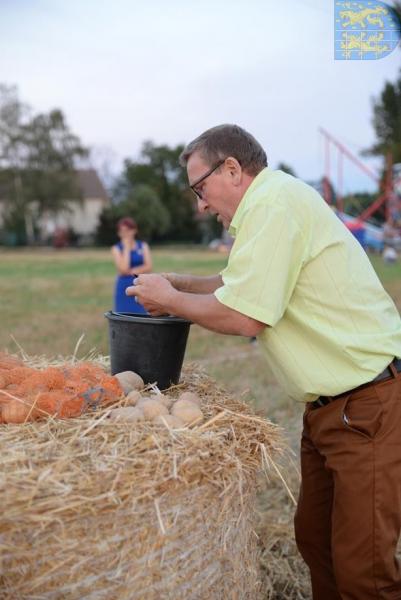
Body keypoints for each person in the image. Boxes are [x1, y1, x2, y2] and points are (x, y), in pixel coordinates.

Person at [126, 124, 401, 599]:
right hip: (333, 412)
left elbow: (244, 315)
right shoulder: (270, 206)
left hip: (367, 407)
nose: (200, 205)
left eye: (200, 188)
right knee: (318, 544)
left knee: (363, 571)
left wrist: (171, 299)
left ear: (232, 168)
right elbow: (238, 281)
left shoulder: (274, 205)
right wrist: (180, 283)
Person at [111, 217, 152, 314]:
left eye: (128, 230)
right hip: (123, 287)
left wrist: (130, 271)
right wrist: (127, 248)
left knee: (141, 315)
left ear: (134, 231)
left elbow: (149, 267)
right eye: (122, 231)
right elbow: (123, 269)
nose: (125, 234)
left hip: (140, 284)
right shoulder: (116, 248)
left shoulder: (143, 245)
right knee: (124, 316)